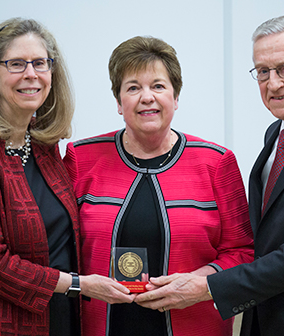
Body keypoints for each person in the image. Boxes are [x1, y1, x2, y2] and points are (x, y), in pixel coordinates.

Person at [135, 14, 284, 336]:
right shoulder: (277, 134)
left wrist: (208, 286)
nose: (273, 83)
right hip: (266, 320)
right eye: (263, 72)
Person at [63, 36, 254, 336]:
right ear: (118, 101)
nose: (147, 97)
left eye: (158, 86)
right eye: (133, 87)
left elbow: (242, 251)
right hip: (99, 326)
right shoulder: (81, 158)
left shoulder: (216, 162)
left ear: (176, 97)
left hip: (195, 325)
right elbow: (59, 247)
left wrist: (200, 283)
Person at [0, 17, 119, 336]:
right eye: (16, 64)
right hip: (0, 325)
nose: (31, 74)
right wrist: (77, 284)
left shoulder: (45, 148)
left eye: (40, 63)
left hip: (61, 319)